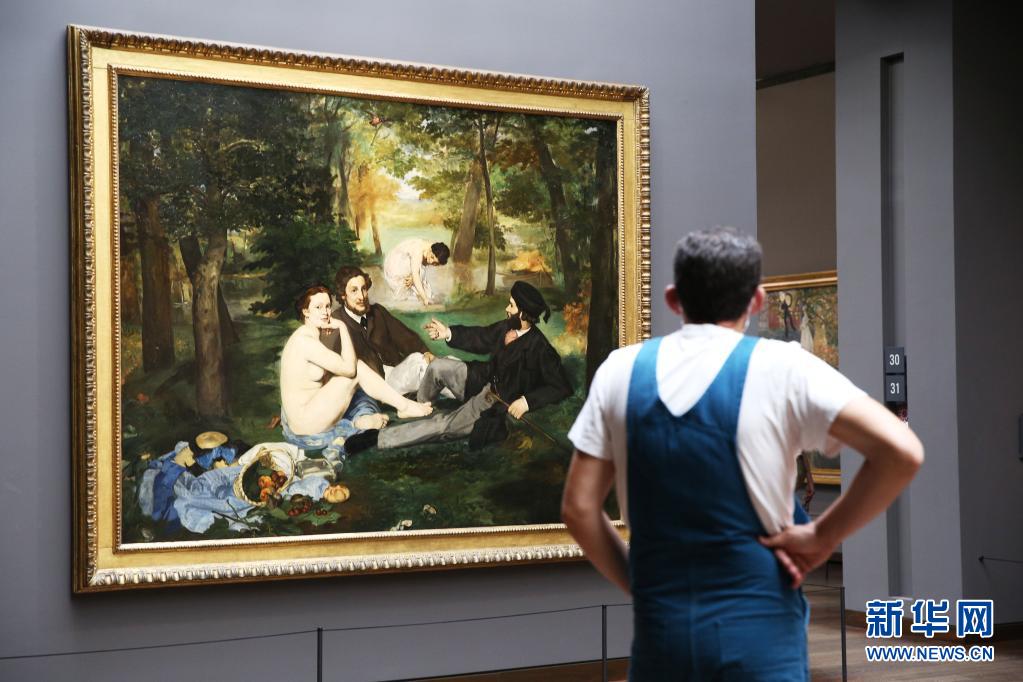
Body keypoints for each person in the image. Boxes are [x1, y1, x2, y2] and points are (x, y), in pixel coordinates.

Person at [561, 228, 923, 680]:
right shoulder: (783, 367)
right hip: (761, 642)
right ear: (756, 300)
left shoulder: (620, 370)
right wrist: (823, 537)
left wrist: (640, 585)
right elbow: (902, 451)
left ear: (674, 299)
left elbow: (578, 508)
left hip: (662, 638)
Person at [345, 281, 572, 453]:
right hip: (479, 378)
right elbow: (481, 337)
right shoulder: (508, 327)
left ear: (522, 313)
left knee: (443, 426)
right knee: (437, 367)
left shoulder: (540, 348)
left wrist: (526, 402)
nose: (506, 308)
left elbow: (561, 387)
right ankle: (419, 407)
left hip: (493, 402)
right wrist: (448, 333)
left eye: (511, 305)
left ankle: (378, 438)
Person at [279, 285, 433, 452]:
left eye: (328, 306)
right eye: (318, 307)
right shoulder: (305, 341)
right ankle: (404, 407)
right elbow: (350, 369)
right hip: (305, 422)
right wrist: (342, 327)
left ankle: (376, 415)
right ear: (306, 312)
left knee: (357, 385)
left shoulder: (310, 335)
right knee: (357, 369)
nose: (325, 312)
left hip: (309, 413)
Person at [320, 266, 438, 396]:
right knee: (425, 366)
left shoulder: (377, 312)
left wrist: (425, 351)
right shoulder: (336, 323)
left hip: (398, 373)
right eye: (354, 291)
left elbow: (404, 336)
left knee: (432, 362)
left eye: (363, 289)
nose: (361, 296)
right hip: (372, 388)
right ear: (343, 294)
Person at [382, 238, 450, 305]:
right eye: (432, 257)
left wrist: (414, 278)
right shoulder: (418, 250)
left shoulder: (436, 250)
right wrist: (425, 298)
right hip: (395, 265)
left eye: (435, 263)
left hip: (409, 267)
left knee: (427, 293)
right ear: (430, 250)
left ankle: (415, 287)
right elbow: (416, 274)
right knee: (417, 292)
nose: (430, 262)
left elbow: (419, 270)